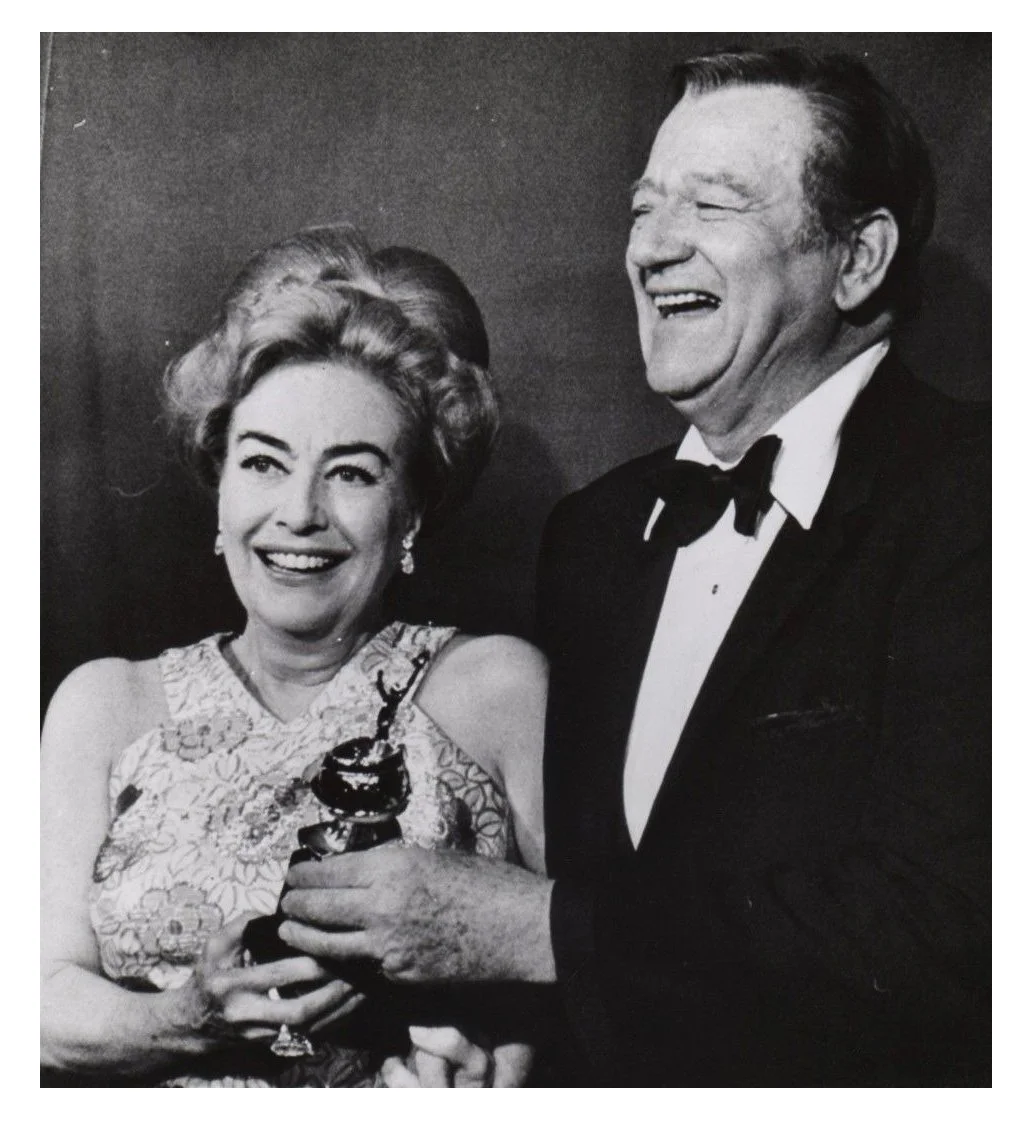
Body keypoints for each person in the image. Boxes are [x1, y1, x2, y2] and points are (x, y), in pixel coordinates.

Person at [277, 50, 991, 1086]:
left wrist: (537, 930)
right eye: (643, 208)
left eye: (713, 203)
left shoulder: (979, 497)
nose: (651, 249)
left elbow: (956, 931)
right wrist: (496, 1040)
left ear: (857, 257)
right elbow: (605, 920)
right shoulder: (596, 533)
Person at [40, 224, 547, 1086]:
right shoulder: (104, 704)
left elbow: (592, 958)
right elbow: (32, 1002)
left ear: (414, 513)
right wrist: (182, 1020)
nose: (299, 514)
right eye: (264, 463)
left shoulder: (496, 688)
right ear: (220, 483)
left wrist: (501, 1063)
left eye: (351, 473)